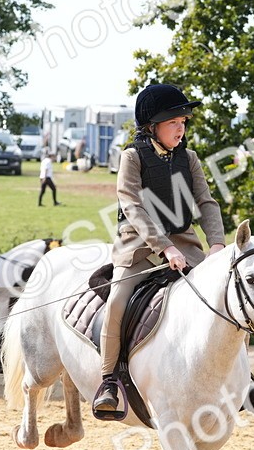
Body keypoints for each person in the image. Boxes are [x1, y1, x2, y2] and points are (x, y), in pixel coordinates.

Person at [92, 83, 227, 418]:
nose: (181, 128)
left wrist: (218, 244)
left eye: (183, 121)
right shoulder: (132, 157)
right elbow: (133, 207)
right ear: (152, 126)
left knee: (226, 295)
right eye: (173, 123)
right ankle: (109, 380)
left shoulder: (190, 159)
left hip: (185, 243)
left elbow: (206, 203)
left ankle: (243, 376)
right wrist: (164, 248)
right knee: (118, 301)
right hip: (138, 246)